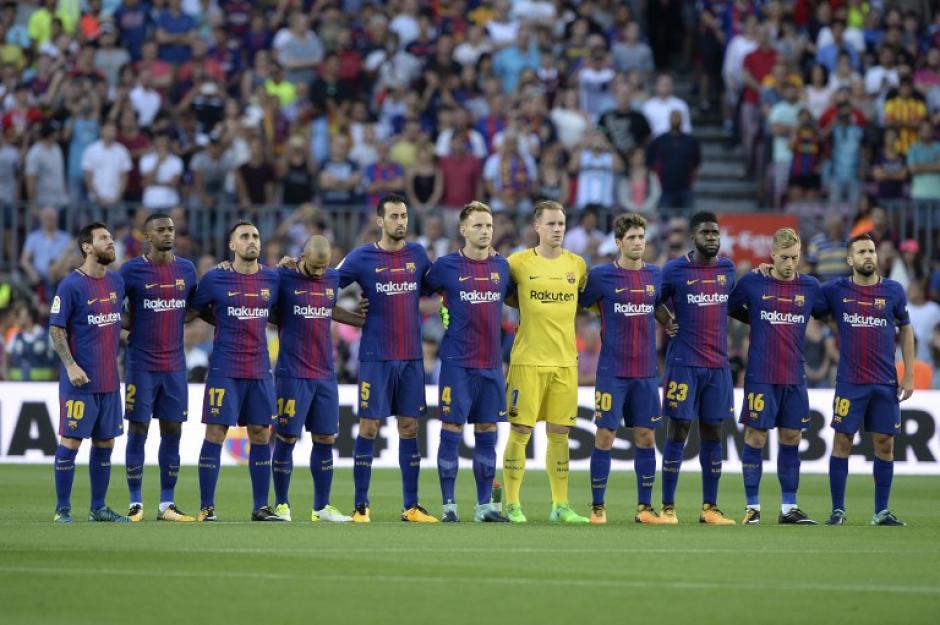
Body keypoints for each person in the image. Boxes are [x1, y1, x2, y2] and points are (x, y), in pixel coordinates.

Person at [337, 194, 437, 523]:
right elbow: (324, 285)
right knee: (368, 427)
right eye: (394, 216)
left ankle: (411, 506)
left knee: (409, 428)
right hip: (375, 356)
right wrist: (351, 315)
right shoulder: (362, 257)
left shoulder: (418, 255)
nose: (401, 222)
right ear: (380, 221)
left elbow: (438, 286)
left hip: (410, 357)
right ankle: (360, 506)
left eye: (404, 216)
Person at [815, 233, 914, 526]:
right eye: (861, 251)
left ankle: (881, 511)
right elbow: (812, 304)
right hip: (850, 382)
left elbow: (906, 330)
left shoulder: (894, 291)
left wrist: (907, 374)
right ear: (850, 259)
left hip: (884, 382)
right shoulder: (835, 290)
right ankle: (838, 510)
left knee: (885, 444)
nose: (868, 255)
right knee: (842, 441)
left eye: (871, 250)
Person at [501, 200, 590, 524]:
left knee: (560, 433)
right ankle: (511, 503)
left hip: (566, 362)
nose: (557, 229)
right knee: (521, 430)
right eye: (551, 224)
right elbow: (505, 294)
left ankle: (560, 505)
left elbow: (587, 300)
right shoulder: (518, 263)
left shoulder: (577, 265)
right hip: (527, 361)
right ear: (537, 226)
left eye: (561, 224)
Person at [580, 213, 671, 525]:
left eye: (641, 237)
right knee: (605, 434)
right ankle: (597, 507)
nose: (637, 243)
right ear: (618, 242)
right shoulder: (601, 276)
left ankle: (644, 509)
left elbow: (656, 304)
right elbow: (580, 304)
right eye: (631, 238)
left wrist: (668, 322)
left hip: (646, 371)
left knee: (646, 437)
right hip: (612, 371)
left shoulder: (656, 275)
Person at [423, 201, 511, 523]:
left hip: (490, 365)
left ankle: (485, 506)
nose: (485, 231)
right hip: (457, 364)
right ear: (463, 230)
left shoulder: (502, 267)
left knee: (487, 429)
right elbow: (417, 293)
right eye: (477, 226)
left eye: (488, 225)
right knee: (451, 429)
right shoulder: (446, 266)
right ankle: (449, 506)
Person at [190, 221, 284, 522]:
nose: (251, 240)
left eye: (256, 235)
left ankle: (260, 506)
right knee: (216, 432)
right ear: (232, 245)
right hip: (225, 368)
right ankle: (207, 506)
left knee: (260, 433)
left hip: (259, 369)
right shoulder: (215, 278)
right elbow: (194, 308)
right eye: (244, 236)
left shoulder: (272, 278)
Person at [728, 228, 823, 525]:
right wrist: (757, 316)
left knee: (792, 437)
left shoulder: (810, 286)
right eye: (784, 257)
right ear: (772, 255)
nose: (790, 263)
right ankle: (753, 507)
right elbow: (731, 306)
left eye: (795, 257)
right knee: (755, 437)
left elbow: (826, 310)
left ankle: (789, 508)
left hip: (794, 376)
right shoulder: (753, 282)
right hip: (760, 376)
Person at [270, 236, 364, 523]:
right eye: (315, 266)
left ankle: (321, 507)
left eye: (325, 267)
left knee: (325, 437)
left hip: (324, 372)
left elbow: (328, 308)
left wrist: (358, 319)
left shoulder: (332, 277)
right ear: (302, 257)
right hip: (291, 372)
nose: (321, 272)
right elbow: (267, 308)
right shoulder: (282, 278)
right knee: (287, 437)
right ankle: (281, 505)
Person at [657, 211, 737, 525]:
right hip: (683, 363)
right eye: (705, 233)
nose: (711, 238)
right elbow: (653, 300)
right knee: (678, 431)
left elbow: (736, 303)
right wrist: (667, 320)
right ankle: (667, 508)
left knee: (714, 433)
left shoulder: (727, 269)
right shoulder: (675, 269)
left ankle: (710, 508)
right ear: (694, 237)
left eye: (715, 233)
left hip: (717, 365)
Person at [119, 213, 198, 523]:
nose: (168, 234)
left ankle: (167, 503)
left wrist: (177, 317)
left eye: (171, 229)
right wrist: (128, 332)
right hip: (141, 365)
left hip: (175, 365)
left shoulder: (187, 270)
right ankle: (135, 503)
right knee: (138, 429)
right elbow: (113, 311)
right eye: (161, 230)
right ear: (146, 237)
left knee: (173, 430)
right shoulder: (131, 271)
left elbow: (197, 305)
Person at [50, 223, 128, 523]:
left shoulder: (117, 283)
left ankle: (98, 508)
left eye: (111, 237)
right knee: (71, 442)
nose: (111, 242)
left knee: (105, 443)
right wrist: (70, 365)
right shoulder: (70, 285)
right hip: (80, 382)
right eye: (104, 238)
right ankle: (62, 509)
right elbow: (57, 328)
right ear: (87, 246)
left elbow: (112, 324)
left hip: (110, 380)